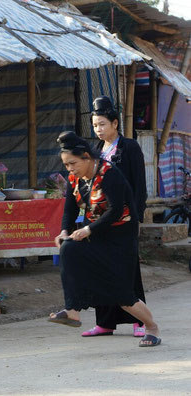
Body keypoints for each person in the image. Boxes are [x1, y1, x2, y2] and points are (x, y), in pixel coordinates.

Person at [48, 131, 161, 347]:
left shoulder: (109, 174)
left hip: (121, 239)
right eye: (66, 165)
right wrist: (64, 231)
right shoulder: (75, 179)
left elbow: (116, 210)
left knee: (123, 296)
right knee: (68, 247)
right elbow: (69, 211)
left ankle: (152, 327)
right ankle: (72, 310)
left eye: (73, 163)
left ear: (86, 157)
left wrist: (88, 230)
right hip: (97, 234)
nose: (69, 169)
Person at [82, 96, 148, 338]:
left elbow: (139, 186)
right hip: (101, 220)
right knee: (102, 268)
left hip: (126, 219)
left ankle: (139, 321)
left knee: (128, 269)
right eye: (95, 125)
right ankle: (105, 322)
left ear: (115, 123)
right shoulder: (95, 152)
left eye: (102, 124)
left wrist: (137, 217)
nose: (98, 129)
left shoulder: (129, 147)